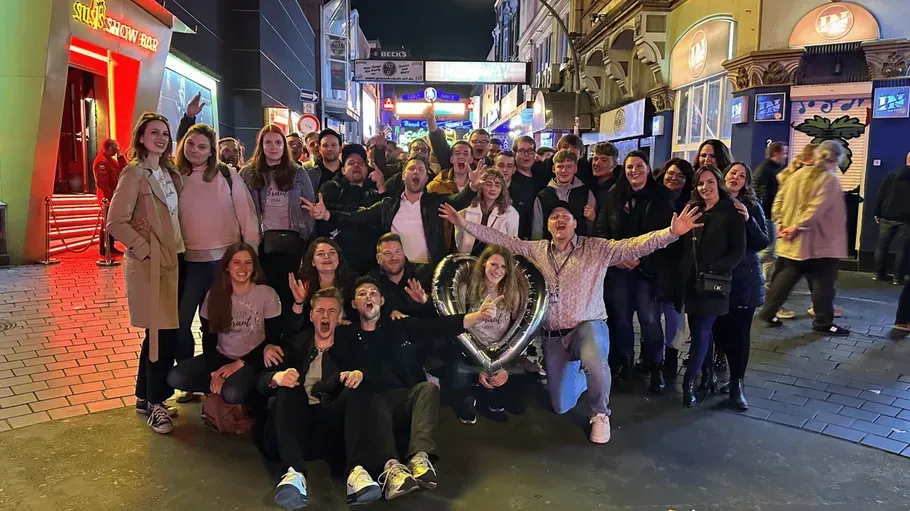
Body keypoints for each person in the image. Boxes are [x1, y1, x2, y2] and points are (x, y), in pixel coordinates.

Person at [438, 197, 703, 443]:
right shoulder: (537, 249)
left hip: (587, 326)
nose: (560, 220)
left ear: (575, 223)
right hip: (554, 336)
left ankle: (600, 413)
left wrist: (671, 233)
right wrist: (464, 224)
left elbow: (632, 245)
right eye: (554, 217)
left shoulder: (595, 248)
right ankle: (586, 375)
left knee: (594, 359)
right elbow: (502, 240)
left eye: (565, 216)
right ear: (548, 225)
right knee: (560, 405)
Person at [336, 276, 502, 500]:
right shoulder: (346, 335)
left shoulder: (399, 327)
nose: (368, 296)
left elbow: (439, 327)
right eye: (362, 293)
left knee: (427, 388)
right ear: (354, 304)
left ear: (382, 301)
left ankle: (419, 459)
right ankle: (391, 470)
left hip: (403, 401)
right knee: (372, 398)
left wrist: (479, 317)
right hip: (371, 406)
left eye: (373, 292)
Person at [257, 287, 390, 508]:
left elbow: (378, 374)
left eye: (331, 311)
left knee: (358, 385)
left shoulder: (351, 345)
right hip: (297, 426)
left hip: (334, 427)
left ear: (339, 317)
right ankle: (294, 474)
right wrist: (276, 377)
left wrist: (360, 374)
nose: (325, 316)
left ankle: (356, 473)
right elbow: (261, 381)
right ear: (311, 316)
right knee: (288, 388)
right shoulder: (297, 343)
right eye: (320, 311)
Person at [107, 112, 184, 434]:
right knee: (160, 336)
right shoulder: (134, 173)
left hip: (174, 260)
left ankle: (144, 396)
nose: (161, 138)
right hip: (151, 265)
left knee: (159, 332)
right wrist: (146, 248)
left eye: (165, 133)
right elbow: (115, 222)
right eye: (155, 132)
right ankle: (157, 404)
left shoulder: (168, 172)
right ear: (141, 137)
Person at [173, 123, 260, 397]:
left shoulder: (227, 174)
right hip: (188, 263)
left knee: (214, 324)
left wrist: (251, 254)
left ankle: (212, 377)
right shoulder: (174, 176)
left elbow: (247, 215)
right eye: (190, 144)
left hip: (223, 262)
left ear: (212, 151)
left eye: (202, 146)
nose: (195, 151)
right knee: (180, 323)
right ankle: (187, 375)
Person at [594, 151, 676, 394]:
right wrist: (616, 256)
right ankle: (626, 364)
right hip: (618, 269)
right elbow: (601, 230)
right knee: (620, 320)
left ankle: (654, 366)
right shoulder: (613, 196)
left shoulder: (661, 197)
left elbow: (667, 236)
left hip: (647, 270)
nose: (634, 171)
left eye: (639, 166)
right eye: (630, 167)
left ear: (648, 169)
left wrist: (640, 258)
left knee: (650, 320)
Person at [303, 156, 481, 266]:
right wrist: (327, 214)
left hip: (428, 269)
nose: (415, 172)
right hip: (396, 271)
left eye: (421, 170)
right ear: (403, 175)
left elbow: (457, 201)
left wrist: (472, 186)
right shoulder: (388, 205)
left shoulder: (434, 202)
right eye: (411, 168)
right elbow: (358, 216)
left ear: (427, 178)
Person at [167, 243, 281, 413]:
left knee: (232, 393)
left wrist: (238, 365)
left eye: (248, 263)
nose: (243, 268)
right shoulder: (214, 295)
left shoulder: (266, 294)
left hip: (252, 361)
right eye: (237, 262)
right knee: (175, 377)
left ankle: (248, 392)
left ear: (254, 267)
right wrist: (214, 372)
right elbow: (208, 336)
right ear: (227, 267)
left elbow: (273, 338)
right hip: (222, 357)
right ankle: (221, 387)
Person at [758, 140, 851, 336]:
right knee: (823, 283)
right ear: (836, 158)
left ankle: (768, 311)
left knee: (785, 277)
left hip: (793, 242)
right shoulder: (829, 179)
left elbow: (779, 201)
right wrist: (795, 228)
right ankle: (823, 322)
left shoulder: (796, 174)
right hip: (819, 242)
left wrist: (781, 224)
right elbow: (815, 210)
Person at [679, 166, 746, 407]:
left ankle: (688, 382)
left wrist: (717, 268)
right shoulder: (693, 211)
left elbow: (738, 250)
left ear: (718, 183)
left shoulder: (731, 212)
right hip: (693, 282)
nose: (705, 187)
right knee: (698, 331)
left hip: (715, 283)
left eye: (709, 182)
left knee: (701, 332)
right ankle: (706, 376)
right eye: (700, 183)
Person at [240, 125, 316, 316]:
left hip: (291, 242)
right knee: (263, 292)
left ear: (284, 146)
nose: (273, 147)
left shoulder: (297, 172)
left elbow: (309, 206)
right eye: (268, 142)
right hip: (259, 243)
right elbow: (239, 208)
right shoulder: (248, 173)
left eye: (278, 142)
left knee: (288, 292)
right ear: (261, 145)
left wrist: (303, 235)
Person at [713, 163, 770, 410]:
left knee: (740, 334)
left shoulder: (751, 205)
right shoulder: (713, 202)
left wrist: (748, 220)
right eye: (732, 173)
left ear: (746, 182)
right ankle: (725, 374)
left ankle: (737, 384)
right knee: (720, 331)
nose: (735, 177)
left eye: (741, 175)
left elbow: (762, 242)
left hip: (744, 280)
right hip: (717, 280)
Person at [449, 246, 528, 423]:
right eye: (493, 264)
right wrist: (480, 364)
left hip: (500, 353)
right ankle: (470, 394)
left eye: (503, 267)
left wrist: (504, 367)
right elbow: (457, 326)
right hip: (469, 351)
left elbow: (517, 331)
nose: (497, 271)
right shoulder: (466, 289)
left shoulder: (513, 294)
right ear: (484, 263)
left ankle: (490, 392)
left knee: (518, 405)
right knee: (457, 372)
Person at [317, 144, 386, 274]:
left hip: (371, 265)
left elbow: (383, 214)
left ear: (366, 169)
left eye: (361, 162)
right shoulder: (331, 188)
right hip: (339, 264)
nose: (356, 165)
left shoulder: (374, 191)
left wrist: (381, 187)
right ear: (343, 170)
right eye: (351, 163)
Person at [531, 150, 597, 239]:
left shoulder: (586, 192)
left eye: (569, 166)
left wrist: (593, 219)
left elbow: (590, 227)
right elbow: (537, 228)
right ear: (554, 169)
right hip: (550, 247)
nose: (564, 170)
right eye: (560, 166)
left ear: (575, 168)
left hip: (580, 246)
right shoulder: (543, 195)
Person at [293, 237, 357, 328]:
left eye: (332, 253)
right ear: (312, 262)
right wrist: (299, 302)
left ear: (338, 258)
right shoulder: (303, 286)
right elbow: (294, 327)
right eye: (320, 254)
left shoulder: (353, 282)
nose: (327, 257)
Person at [368, 233, 435, 318]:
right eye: (387, 253)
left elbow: (442, 310)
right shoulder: (370, 281)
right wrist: (388, 313)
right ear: (378, 258)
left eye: (398, 252)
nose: (394, 258)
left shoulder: (424, 273)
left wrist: (425, 301)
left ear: (403, 253)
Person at [454, 168, 519, 255]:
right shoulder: (466, 209)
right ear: (481, 186)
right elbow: (458, 239)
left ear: (502, 189)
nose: (493, 189)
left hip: (496, 261)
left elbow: (512, 245)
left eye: (497, 185)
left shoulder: (511, 213)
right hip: (469, 259)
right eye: (488, 184)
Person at [752, 142, 789, 284]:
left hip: (766, 215)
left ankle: (764, 281)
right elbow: (766, 194)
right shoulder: (768, 171)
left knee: (770, 251)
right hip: (767, 215)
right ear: (776, 154)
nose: (785, 156)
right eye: (784, 153)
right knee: (770, 251)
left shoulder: (767, 169)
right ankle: (751, 269)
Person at [873, 152, 910, 285]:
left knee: (882, 246)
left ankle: (878, 274)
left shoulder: (892, 174)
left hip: (887, 214)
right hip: (906, 219)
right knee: (902, 249)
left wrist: (877, 211)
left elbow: (881, 193)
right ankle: (897, 278)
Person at [92, 138, 128, 256]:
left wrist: (120, 157)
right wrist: (110, 198)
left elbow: (125, 171)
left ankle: (110, 246)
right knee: (106, 223)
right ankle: (104, 248)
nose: (117, 150)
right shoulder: (101, 162)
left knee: (111, 222)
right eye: (115, 148)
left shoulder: (112, 161)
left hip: (114, 198)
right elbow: (102, 183)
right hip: (107, 199)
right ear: (108, 148)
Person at [511, 136, 552, 239]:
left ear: (535, 154)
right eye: (521, 151)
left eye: (530, 151)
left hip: (542, 235)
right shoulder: (510, 179)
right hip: (517, 236)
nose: (526, 154)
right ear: (514, 153)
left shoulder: (542, 174)